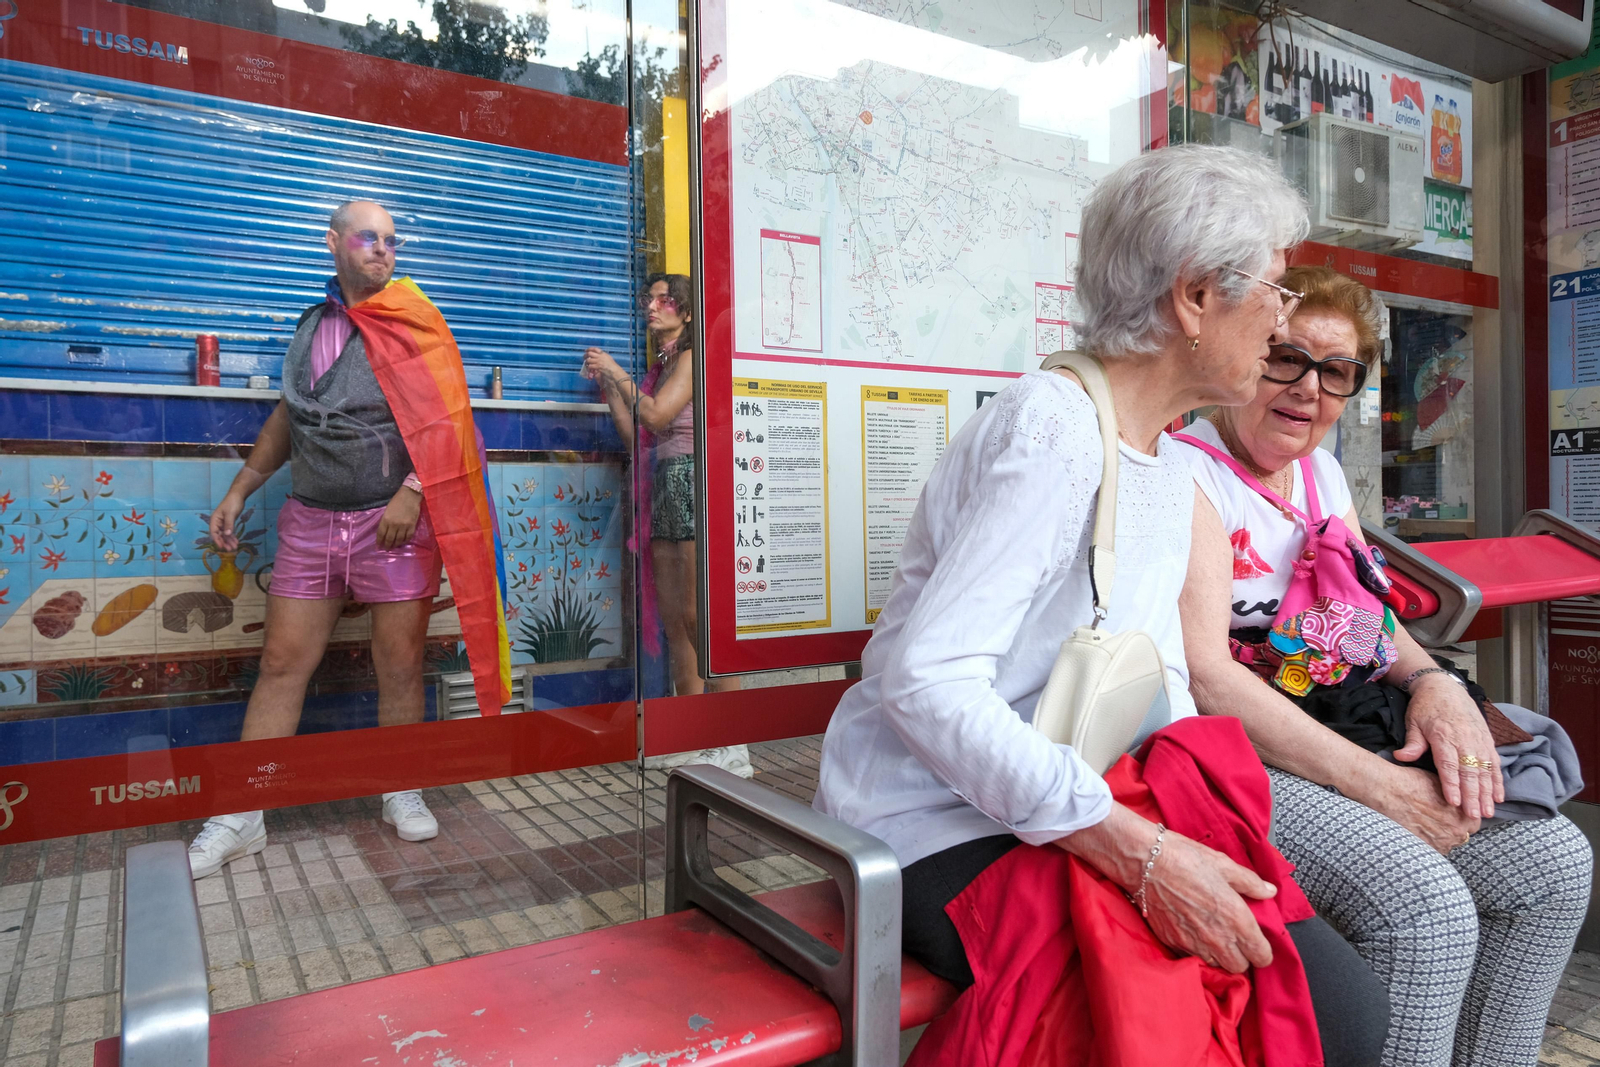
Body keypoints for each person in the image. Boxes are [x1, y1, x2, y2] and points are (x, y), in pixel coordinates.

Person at [815, 146, 1388, 1065]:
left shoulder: (1160, 452)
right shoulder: (1055, 428)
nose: (1284, 321)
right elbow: (927, 686)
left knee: (1330, 1004)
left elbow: (1159, 680)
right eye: (1277, 292)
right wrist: (1144, 854)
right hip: (941, 824)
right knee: (1263, 1012)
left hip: (1070, 801)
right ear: (1196, 296)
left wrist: (1191, 827)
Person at [1177, 265, 1592, 1067]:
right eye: (1287, 358)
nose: (1308, 390)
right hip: (1233, 753)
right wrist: (1383, 789)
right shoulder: (1187, 471)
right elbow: (1205, 676)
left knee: (1555, 864)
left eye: (1337, 373)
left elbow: (1368, 615)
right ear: (1245, 351)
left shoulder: (1319, 473)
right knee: (1423, 906)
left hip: (1342, 723)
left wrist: (1435, 683)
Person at [188, 200, 502, 878]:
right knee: (280, 662)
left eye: (391, 240)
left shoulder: (414, 319)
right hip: (311, 516)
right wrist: (241, 487)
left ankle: (401, 787)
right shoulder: (310, 325)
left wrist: (413, 491)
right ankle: (243, 813)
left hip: (392, 518)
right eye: (368, 237)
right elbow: (288, 417)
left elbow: (451, 417)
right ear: (333, 243)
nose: (383, 249)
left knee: (399, 662)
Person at [583, 274, 749, 777]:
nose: (652, 307)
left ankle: (735, 741)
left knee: (701, 617)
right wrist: (614, 386)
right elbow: (639, 436)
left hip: (694, 482)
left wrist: (616, 369)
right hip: (666, 482)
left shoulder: (693, 359)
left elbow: (656, 415)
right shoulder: (663, 366)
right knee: (676, 621)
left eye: (665, 300)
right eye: (648, 299)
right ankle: (694, 734)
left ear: (689, 313)